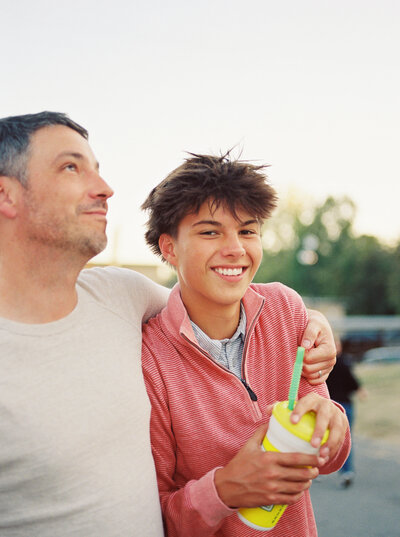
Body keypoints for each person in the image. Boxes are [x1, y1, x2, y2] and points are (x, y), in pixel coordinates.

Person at [0, 112, 335, 537]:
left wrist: (312, 324)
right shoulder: (148, 349)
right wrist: (226, 488)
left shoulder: (120, 294)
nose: (105, 188)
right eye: (71, 166)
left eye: (247, 231)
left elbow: (205, 301)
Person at [141, 152, 351, 537]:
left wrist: (332, 423)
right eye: (210, 232)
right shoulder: (149, 358)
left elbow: (329, 459)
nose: (236, 248)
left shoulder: (285, 309)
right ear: (169, 248)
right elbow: (156, 517)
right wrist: (225, 489)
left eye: (248, 231)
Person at [326, 338, 367, 488]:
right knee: (342, 440)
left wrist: (359, 390)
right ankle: (345, 471)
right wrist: (360, 390)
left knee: (338, 439)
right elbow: (353, 382)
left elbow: (352, 381)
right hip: (333, 406)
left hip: (337, 405)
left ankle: (345, 471)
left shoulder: (325, 363)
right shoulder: (340, 362)